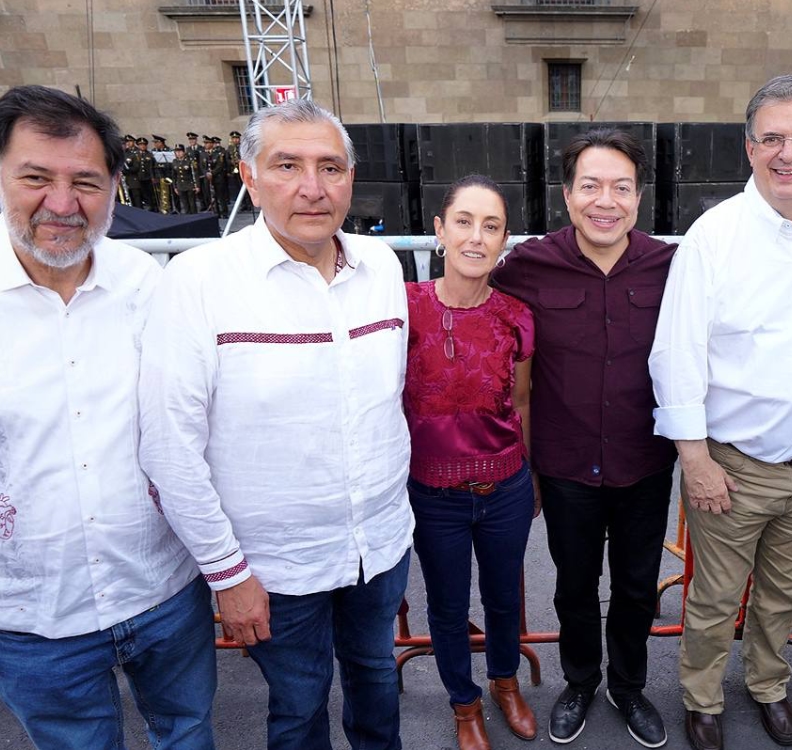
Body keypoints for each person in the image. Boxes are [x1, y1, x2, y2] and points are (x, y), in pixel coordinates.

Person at [138, 99, 414, 750]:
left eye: (330, 167)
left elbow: (385, 403)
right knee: (298, 707)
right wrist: (228, 576)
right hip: (274, 572)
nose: (312, 188)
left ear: (351, 177)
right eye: (287, 165)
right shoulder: (199, 281)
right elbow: (169, 448)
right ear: (249, 176)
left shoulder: (381, 268)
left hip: (377, 550)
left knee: (378, 685)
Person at [649, 74, 792, 750]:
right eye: (772, 137)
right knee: (716, 600)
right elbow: (676, 354)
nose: (788, 152)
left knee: (783, 595)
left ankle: (769, 685)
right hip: (732, 468)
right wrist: (695, 461)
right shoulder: (713, 237)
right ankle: (701, 697)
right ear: (748, 147)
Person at [0, 84, 216, 749]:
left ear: (115, 186)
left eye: (85, 183)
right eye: (36, 178)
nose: (61, 204)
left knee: (187, 735)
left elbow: (190, 425)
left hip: (163, 594)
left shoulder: (150, 286)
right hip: (36, 615)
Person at [491, 127, 677, 748]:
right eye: (591, 185)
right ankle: (578, 682)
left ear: (639, 197)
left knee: (633, 585)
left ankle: (628, 686)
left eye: (621, 187)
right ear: (567, 196)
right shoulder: (526, 267)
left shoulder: (669, 267)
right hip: (565, 466)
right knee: (573, 585)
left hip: (644, 461)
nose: (607, 200)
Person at [404, 174, 538, 750]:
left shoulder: (517, 315)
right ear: (439, 231)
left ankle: (505, 682)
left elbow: (523, 400)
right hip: (432, 493)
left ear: (505, 240)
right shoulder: (404, 309)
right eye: (464, 222)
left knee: (506, 595)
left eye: (491, 226)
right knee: (448, 603)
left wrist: (529, 478)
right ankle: (464, 705)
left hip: (505, 484)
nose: (476, 238)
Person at [172, 142, 201, 214]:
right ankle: (188, 218)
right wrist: (175, 187)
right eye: (176, 151)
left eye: (180, 151)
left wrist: (197, 185)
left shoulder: (189, 161)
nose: (178, 153)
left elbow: (195, 174)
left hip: (189, 185)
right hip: (180, 186)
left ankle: (194, 218)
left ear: (184, 152)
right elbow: (174, 175)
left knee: (192, 204)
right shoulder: (174, 161)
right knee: (185, 204)